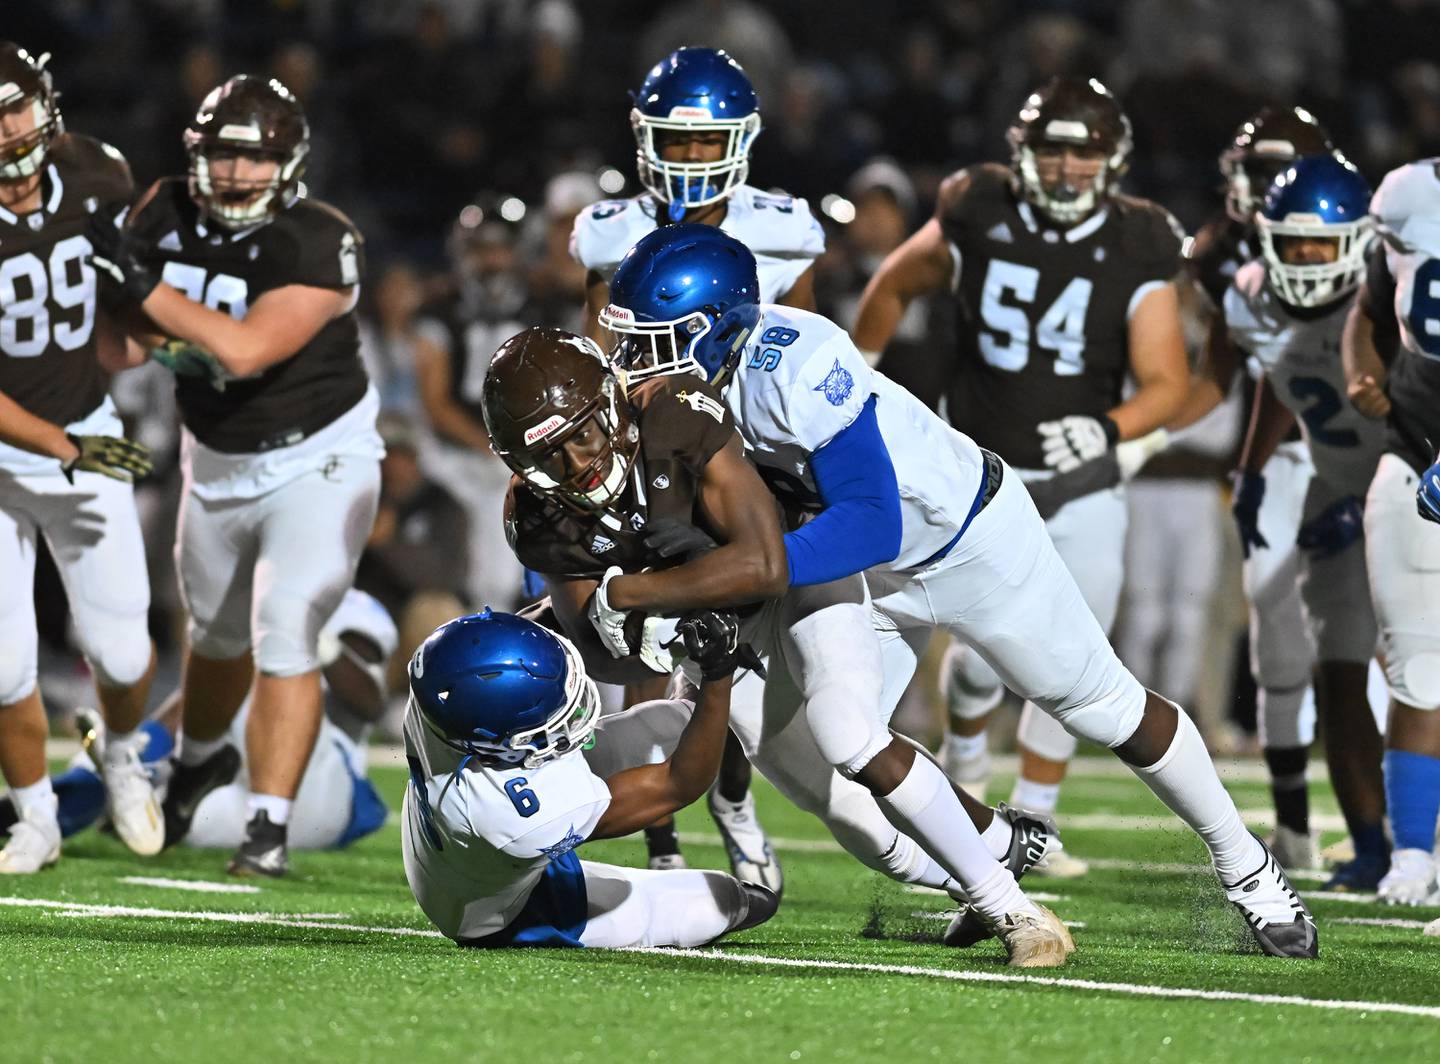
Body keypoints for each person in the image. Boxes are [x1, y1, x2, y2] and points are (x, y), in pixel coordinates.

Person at [599, 221, 1319, 958]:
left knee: (1102, 707)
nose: (631, 364)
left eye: (650, 343)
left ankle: (1249, 869)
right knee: (836, 781)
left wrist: (725, 577)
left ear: (717, 333)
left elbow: (872, 521)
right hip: (849, 568)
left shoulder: (796, 365)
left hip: (964, 540)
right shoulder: (680, 393)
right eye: (626, 341)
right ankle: (996, 848)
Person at [482, 326, 1072, 967]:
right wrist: (648, 640)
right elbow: (599, 653)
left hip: (799, 588)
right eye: (548, 457)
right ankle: (1000, 845)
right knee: (858, 821)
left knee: (848, 731)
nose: (575, 463)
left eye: (581, 435)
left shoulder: (674, 414)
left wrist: (635, 596)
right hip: (718, 643)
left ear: (608, 402)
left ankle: (1013, 910)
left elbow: (765, 563)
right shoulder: (537, 515)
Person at [850, 78, 1190, 876]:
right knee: (975, 665)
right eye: (1054, 148)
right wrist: (855, 375)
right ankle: (967, 760)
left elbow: (1168, 380)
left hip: (1083, 483)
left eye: (1086, 151)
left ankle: (1037, 821)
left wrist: (1108, 428)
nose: (1069, 166)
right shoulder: (978, 206)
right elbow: (895, 282)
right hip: (979, 478)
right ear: (1024, 153)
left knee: (1077, 654)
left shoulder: (1142, 240)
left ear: (1114, 160)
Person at [90, 74, 382, 877]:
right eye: (222, 155)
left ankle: (268, 827)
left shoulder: (318, 238)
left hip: (317, 456)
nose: (236, 175)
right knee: (214, 641)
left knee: (285, 627)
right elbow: (122, 347)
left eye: (255, 160)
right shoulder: (162, 211)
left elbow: (246, 349)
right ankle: (198, 761)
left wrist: (139, 284)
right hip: (213, 458)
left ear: (290, 164)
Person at [570, 46, 824, 884]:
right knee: (655, 645)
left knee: (739, 655)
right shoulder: (609, 233)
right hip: (659, 458)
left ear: (741, 140)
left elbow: (815, 348)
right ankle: (665, 835)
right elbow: (596, 357)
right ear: (645, 141)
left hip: (751, 460)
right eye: (672, 144)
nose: (687, 159)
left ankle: (734, 799)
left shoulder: (783, 230)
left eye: (702, 142)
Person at [0, 41, 164, 873]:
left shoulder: (99, 173)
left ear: (45, 106)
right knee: (1, 663)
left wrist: (141, 336)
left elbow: (119, 295)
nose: (6, 134)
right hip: (27, 451)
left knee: (127, 654)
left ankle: (124, 752)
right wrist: (65, 445)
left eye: (14, 109)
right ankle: (36, 819)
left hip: (82, 427)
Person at [402, 607, 781, 949]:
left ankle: (689, 698)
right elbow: (678, 783)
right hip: (496, 912)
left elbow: (529, 626)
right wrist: (717, 673)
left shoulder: (443, 682)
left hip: (457, 855)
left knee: (674, 721)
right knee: (727, 902)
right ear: (503, 744)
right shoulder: (521, 816)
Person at [1221, 155, 1389, 883]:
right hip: (1336, 489)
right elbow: (1282, 379)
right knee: (1339, 674)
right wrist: (1253, 470)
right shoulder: (1253, 297)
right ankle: (1378, 845)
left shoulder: (1393, 293)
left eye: (1322, 244)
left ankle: (1416, 840)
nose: (1309, 259)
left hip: (1409, 486)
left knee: (1418, 673)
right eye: (1294, 245)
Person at [2, 588, 395, 852]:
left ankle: (113, 768)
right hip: (266, 803)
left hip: (323, 787)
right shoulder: (297, 596)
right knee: (154, 818)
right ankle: (79, 799)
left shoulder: (346, 612)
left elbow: (371, 700)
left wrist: (310, 637)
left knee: (242, 679)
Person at [1342, 158, 1440, 905]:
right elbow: (1368, 315)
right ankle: (1411, 851)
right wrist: (1362, 377)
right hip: (1414, 455)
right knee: (1418, 667)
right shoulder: (1409, 198)